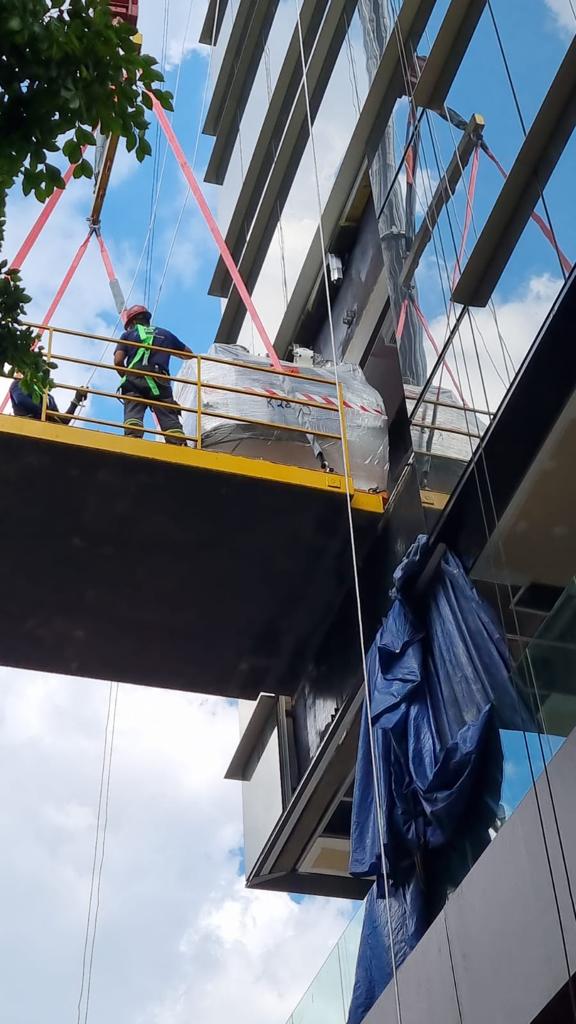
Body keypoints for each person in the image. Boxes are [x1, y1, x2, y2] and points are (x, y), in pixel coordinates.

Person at [114, 305, 194, 445]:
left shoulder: (127, 335)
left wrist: (126, 377)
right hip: (160, 381)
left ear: (132, 322)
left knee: (134, 410)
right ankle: (178, 444)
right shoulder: (166, 334)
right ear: (147, 319)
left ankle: (133, 438)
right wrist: (167, 349)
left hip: (135, 377)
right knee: (168, 415)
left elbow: (118, 360)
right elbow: (189, 355)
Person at [10, 375, 87, 425]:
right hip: (26, 427)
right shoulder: (18, 383)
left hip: (46, 431)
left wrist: (76, 400)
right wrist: (45, 412)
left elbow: (62, 421)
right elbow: (21, 400)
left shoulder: (49, 398)